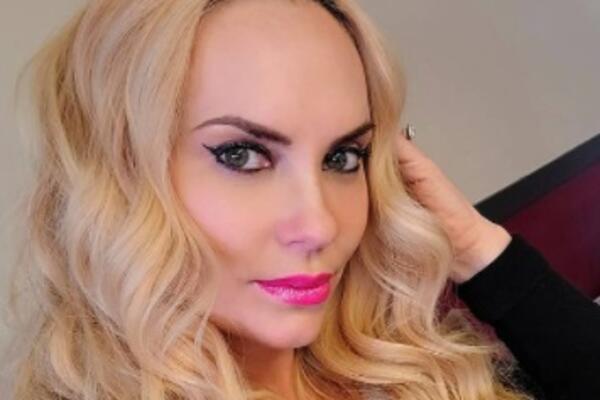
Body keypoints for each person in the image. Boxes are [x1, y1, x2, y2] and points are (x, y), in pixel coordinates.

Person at [2, 0, 598, 399]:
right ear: (121, 172)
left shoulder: (403, 366)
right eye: (242, 155)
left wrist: (474, 245)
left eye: (344, 158)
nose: (319, 225)